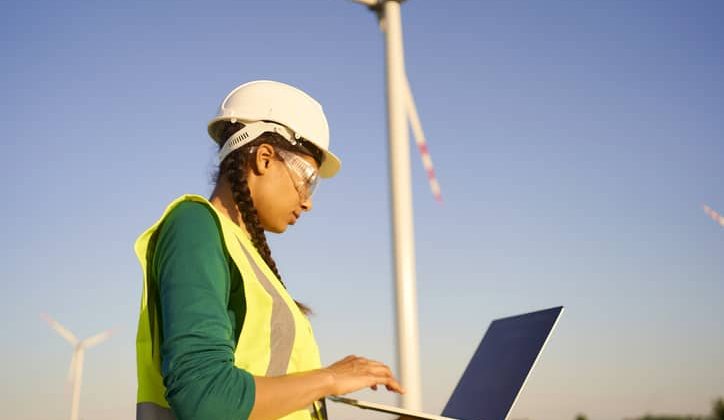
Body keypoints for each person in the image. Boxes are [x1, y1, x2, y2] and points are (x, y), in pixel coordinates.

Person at [133, 80, 404, 420]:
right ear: (264, 158)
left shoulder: (245, 255)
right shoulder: (195, 226)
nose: (307, 202)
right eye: (308, 180)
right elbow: (206, 398)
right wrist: (330, 378)